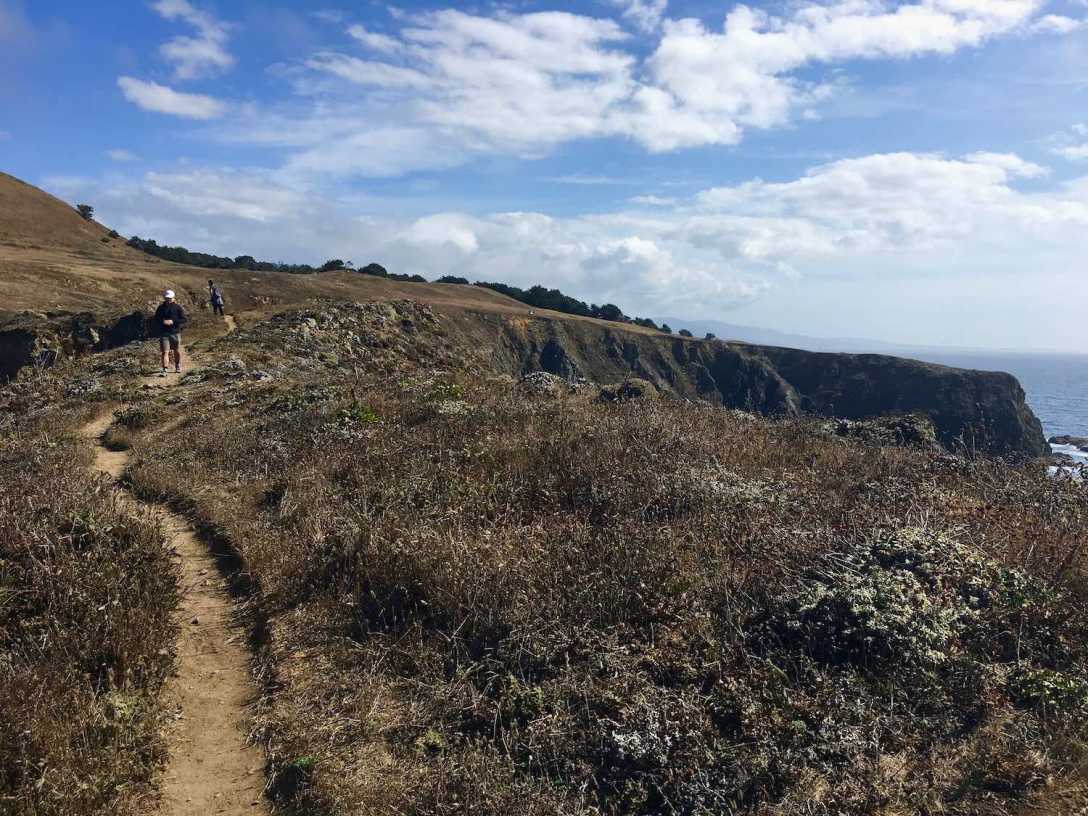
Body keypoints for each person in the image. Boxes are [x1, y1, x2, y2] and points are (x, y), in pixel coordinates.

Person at [154, 289, 187, 376]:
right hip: (164, 333)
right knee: (165, 352)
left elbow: (184, 319)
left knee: (176, 350)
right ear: (164, 298)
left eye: (170, 298)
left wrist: (173, 321)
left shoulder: (178, 307)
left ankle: (177, 365)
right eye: (167, 298)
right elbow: (156, 319)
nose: (168, 300)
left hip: (175, 332)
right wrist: (162, 321)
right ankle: (165, 369)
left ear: (173, 298)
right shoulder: (160, 308)